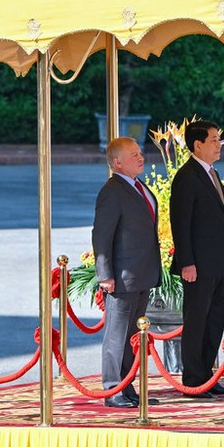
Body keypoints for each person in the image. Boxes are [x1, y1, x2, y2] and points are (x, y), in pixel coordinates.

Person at [92, 137, 162, 408]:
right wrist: (104, 274)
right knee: (116, 335)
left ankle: (127, 386)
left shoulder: (138, 186)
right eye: (133, 154)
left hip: (141, 273)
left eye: (140, 152)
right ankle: (113, 389)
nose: (141, 157)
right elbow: (102, 235)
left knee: (132, 335)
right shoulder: (112, 190)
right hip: (121, 277)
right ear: (117, 162)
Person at [170, 120, 224, 398]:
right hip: (197, 265)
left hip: (217, 264)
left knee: (213, 321)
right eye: (213, 140)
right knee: (196, 321)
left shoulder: (212, 173)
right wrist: (187, 262)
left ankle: (208, 375)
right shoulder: (187, 176)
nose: (218, 144)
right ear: (197, 145)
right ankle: (193, 378)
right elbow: (180, 223)